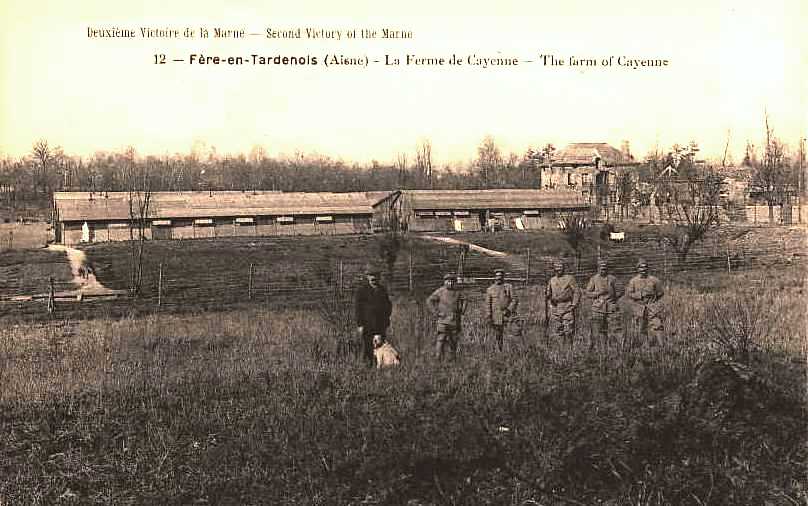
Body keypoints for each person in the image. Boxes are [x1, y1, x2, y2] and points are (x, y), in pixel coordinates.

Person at [353, 265, 393, 365]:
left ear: (379, 277)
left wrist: (386, 320)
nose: (373, 278)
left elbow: (388, 306)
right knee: (367, 347)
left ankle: (380, 367)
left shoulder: (382, 290)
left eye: (376, 275)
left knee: (380, 347)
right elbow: (358, 309)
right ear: (367, 277)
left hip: (380, 325)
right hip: (367, 324)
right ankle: (367, 368)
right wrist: (360, 324)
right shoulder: (361, 291)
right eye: (371, 275)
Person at [427, 273, 466, 361]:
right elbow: (429, 301)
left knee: (453, 341)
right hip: (443, 321)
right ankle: (438, 359)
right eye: (448, 281)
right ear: (445, 282)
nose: (450, 283)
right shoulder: (440, 291)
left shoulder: (457, 292)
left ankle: (452, 360)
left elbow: (465, 300)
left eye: (452, 281)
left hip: (454, 321)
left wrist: (462, 311)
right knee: (441, 340)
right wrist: (436, 312)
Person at [584, 259, 623, 348]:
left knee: (616, 328)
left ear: (607, 269)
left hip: (611, 308)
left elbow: (621, 290)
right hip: (598, 308)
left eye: (605, 268)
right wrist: (598, 293)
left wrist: (614, 298)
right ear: (598, 269)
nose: (603, 270)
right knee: (600, 329)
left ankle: (618, 348)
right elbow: (588, 293)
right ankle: (602, 349)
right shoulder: (594, 279)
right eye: (601, 268)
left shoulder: (612, 279)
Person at [625, 259, 665, 345]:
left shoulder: (654, 280)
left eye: (645, 267)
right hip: (639, 308)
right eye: (641, 268)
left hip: (652, 307)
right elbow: (629, 294)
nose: (643, 269)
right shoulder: (633, 281)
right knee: (642, 327)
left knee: (657, 325)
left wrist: (653, 300)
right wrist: (641, 295)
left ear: (648, 268)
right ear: (638, 269)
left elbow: (660, 293)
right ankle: (646, 346)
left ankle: (662, 346)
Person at [545, 260, 580, 342]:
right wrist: (547, 296)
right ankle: (560, 352)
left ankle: (568, 351)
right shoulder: (552, 280)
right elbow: (548, 294)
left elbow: (577, 292)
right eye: (556, 268)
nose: (558, 269)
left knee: (568, 331)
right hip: (555, 308)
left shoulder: (570, 278)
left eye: (560, 267)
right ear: (554, 269)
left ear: (564, 268)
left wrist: (574, 304)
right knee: (557, 331)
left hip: (567, 307)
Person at [485, 269, 518, 351]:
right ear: (494, 277)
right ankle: (498, 351)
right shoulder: (490, 289)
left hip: (507, 316)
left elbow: (515, 300)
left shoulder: (509, 287)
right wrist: (489, 316)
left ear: (503, 277)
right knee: (497, 335)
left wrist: (509, 309)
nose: (499, 278)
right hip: (495, 317)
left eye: (500, 276)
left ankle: (509, 351)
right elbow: (487, 304)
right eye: (497, 276)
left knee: (509, 335)